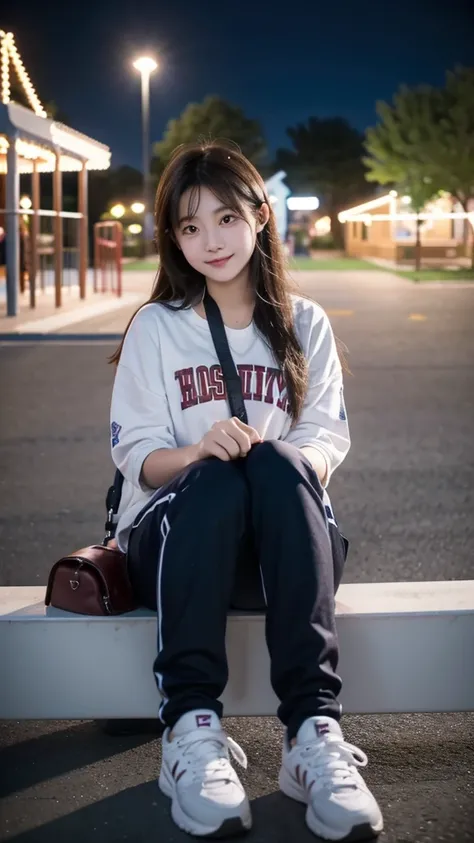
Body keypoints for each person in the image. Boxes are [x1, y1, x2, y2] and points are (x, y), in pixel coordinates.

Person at [108, 140, 384, 841]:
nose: (211, 241)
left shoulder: (305, 322)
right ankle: (190, 731)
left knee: (275, 464)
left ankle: (312, 735)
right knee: (215, 480)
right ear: (174, 237)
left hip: (281, 549)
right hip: (174, 544)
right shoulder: (157, 327)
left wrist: (280, 462)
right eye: (191, 226)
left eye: (226, 218)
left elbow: (326, 437)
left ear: (261, 215)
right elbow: (134, 453)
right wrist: (199, 451)